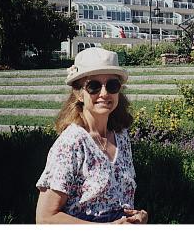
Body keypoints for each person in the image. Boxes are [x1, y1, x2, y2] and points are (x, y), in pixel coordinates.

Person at [35, 47, 148, 224]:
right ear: (79, 93)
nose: (104, 93)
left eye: (112, 85)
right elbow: (45, 218)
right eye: (93, 86)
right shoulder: (71, 144)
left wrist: (137, 216)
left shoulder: (121, 136)